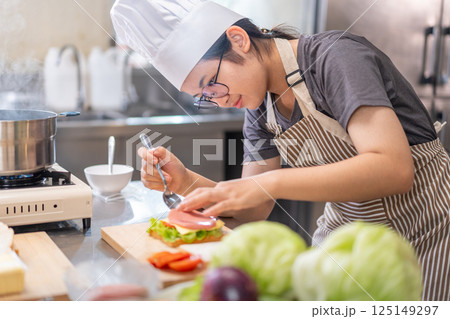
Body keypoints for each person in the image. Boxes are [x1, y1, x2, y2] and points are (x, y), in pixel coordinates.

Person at [111, 0, 450, 301]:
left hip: (426, 230)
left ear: (239, 40)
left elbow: (393, 169)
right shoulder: (259, 106)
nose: (218, 99)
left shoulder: (334, 58)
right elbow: (252, 209)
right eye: (205, 96)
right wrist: (185, 181)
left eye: (211, 83)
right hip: (349, 239)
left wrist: (270, 183)